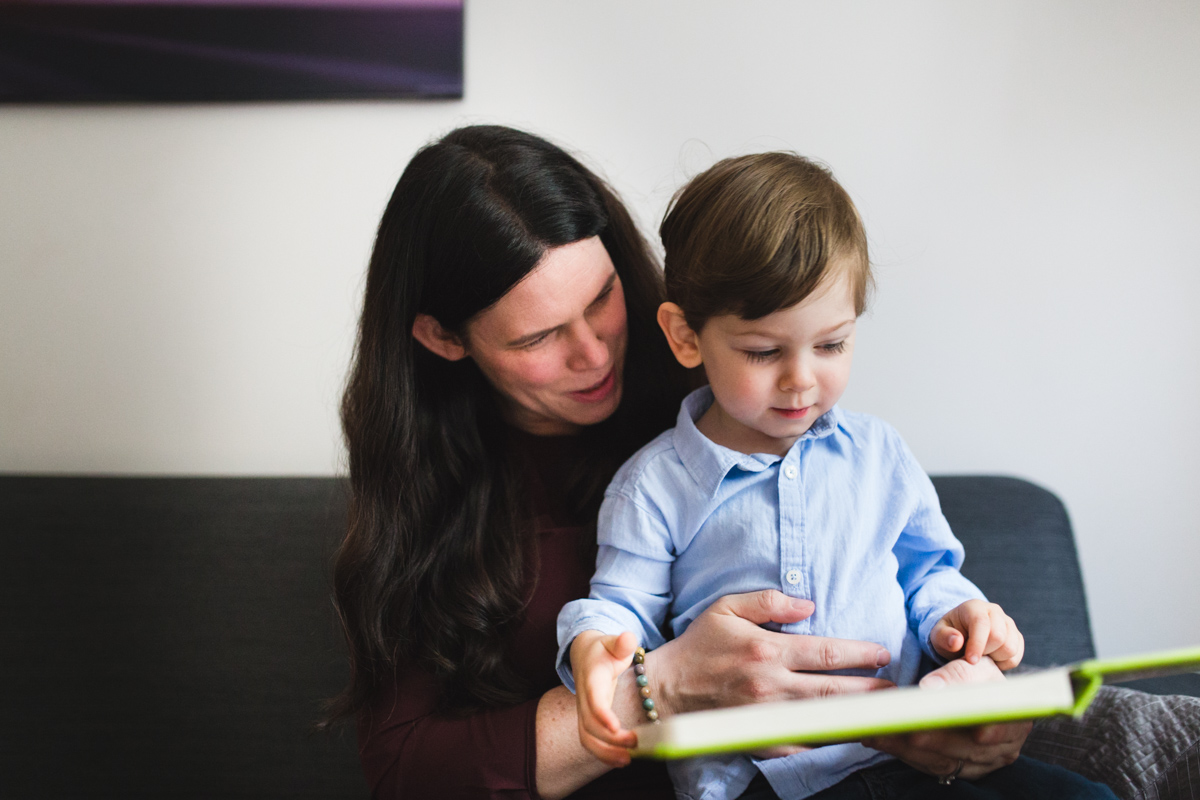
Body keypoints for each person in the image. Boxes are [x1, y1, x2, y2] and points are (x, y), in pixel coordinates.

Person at [327, 126, 1038, 800]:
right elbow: (403, 769)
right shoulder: (607, 487)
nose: (596, 353)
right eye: (539, 336)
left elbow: (918, 583)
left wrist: (977, 697)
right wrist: (656, 690)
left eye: (601, 298)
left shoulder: (753, 400)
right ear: (444, 338)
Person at [556, 153, 1117, 800]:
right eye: (763, 352)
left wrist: (958, 617)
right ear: (686, 336)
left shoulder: (880, 454)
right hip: (762, 780)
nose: (801, 379)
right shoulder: (652, 487)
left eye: (832, 345)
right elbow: (619, 607)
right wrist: (595, 648)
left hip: (909, 756)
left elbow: (927, 573)